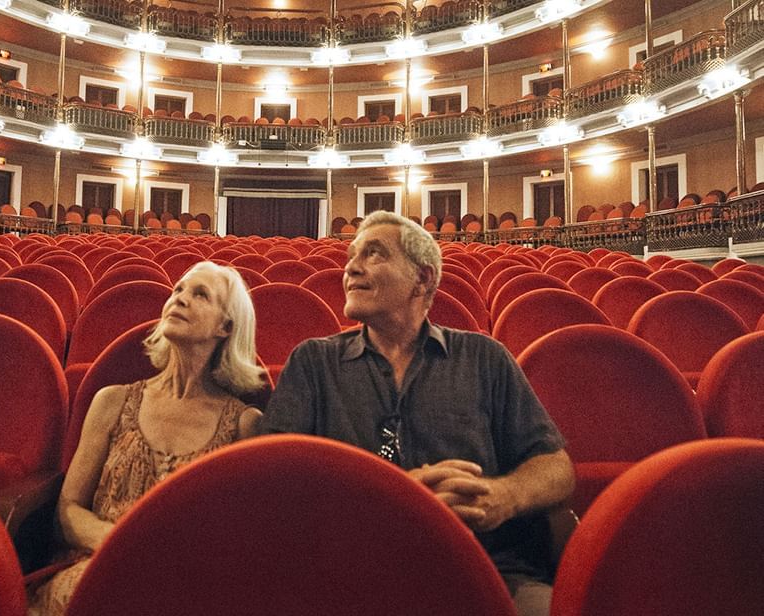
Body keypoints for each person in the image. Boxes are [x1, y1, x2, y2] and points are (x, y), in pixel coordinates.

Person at [259, 211, 575, 616]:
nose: (351, 267)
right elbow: (271, 479)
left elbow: (556, 467)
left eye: (373, 254)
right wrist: (400, 496)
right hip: (346, 572)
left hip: (485, 567)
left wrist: (504, 496)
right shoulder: (314, 362)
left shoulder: (484, 357)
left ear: (423, 279)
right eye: (352, 255)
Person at [30, 261, 266, 615]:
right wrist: (119, 544)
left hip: (188, 585)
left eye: (200, 294)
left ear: (226, 326)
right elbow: (68, 509)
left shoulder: (244, 425)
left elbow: (241, 538)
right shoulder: (113, 401)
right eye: (178, 290)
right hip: (98, 567)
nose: (180, 299)